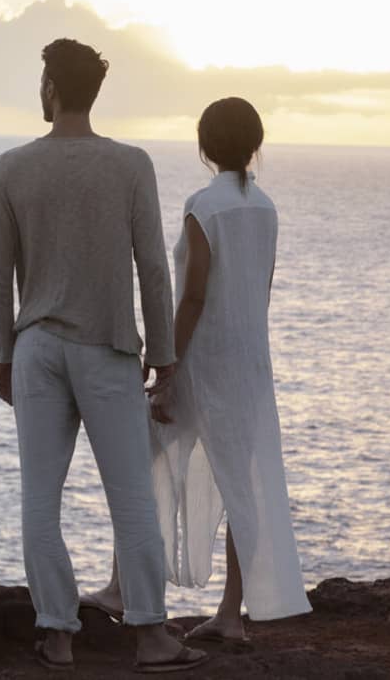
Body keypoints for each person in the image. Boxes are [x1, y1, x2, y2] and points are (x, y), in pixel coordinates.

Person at [0, 38, 206, 673]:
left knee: (39, 501)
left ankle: (57, 637)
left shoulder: (11, 166)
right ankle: (151, 637)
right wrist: (163, 353)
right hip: (109, 348)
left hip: (37, 348)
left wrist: (4, 353)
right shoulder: (131, 164)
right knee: (132, 497)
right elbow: (153, 269)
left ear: (51, 89)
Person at [82, 97, 312, 641]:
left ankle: (124, 586)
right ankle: (230, 615)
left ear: (205, 146)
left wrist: (165, 366)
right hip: (249, 364)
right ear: (254, 146)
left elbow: (192, 298)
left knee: (140, 464)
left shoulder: (202, 207)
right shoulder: (267, 208)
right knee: (242, 486)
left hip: (201, 363)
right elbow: (262, 289)